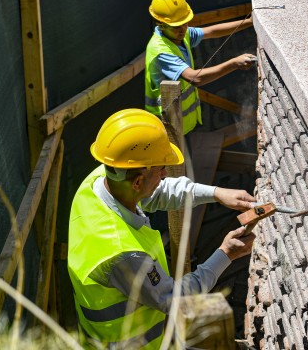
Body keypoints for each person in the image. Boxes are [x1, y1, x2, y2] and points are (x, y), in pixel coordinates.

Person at [67, 109, 256, 349]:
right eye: (160, 170)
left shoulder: (101, 180)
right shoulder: (123, 253)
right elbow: (174, 299)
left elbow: (156, 192)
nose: (165, 174)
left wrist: (217, 193)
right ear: (137, 181)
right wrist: (225, 254)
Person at [145, 0, 256, 135]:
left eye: (185, 23)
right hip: (165, 125)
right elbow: (195, 78)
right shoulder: (161, 51)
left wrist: (248, 22)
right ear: (161, 24)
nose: (183, 29)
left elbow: (211, 31)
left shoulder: (178, 34)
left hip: (180, 121)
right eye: (177, 26)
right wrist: (234, 63)